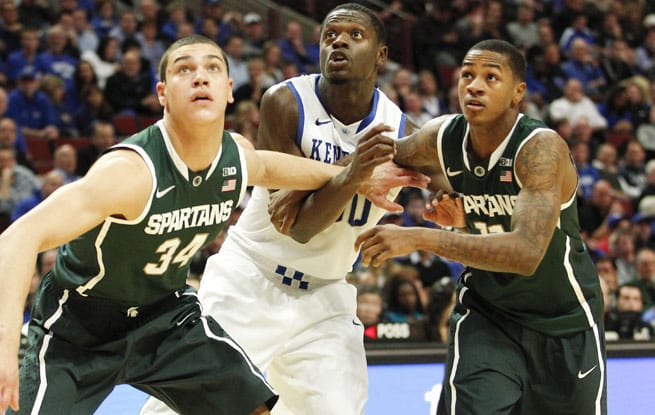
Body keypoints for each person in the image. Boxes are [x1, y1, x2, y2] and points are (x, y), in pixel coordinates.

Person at [0, 34, 401, 415]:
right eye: (184, 69)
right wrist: (3, 345)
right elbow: (18, 237)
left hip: (164, 317)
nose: (199, 76)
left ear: (229, 90)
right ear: (162, 94)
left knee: (254, 407)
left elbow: (269, 166)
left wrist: (354, 178)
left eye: (212, 68)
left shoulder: (235, 156)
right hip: (81, 325)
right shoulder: (130, 172)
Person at [140, 4, 429, 415]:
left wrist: (439, 217)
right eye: (330, 35)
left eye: (354, 35)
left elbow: (455, 185)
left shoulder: (403, 134)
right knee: (183, 408)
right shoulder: (287, 102)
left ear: (381, 55)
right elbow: (296, 225)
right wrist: (354, 172)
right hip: (250, 279)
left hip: (326, 294)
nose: (339, 42)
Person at [355, 39, 607, 414]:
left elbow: (525, 253)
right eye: (467, 75)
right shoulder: (442, 137)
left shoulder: (539, 150)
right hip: (488, 315)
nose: (474, 86)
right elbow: (376, 155)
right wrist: (327, 178)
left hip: (564, 321)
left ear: (518, 92)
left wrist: (420, 237)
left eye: (491, 77)